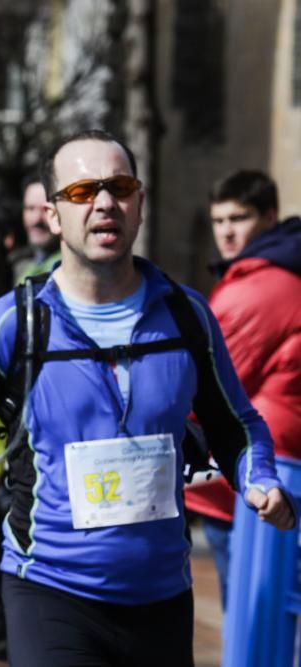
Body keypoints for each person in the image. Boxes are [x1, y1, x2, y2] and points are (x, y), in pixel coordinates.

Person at [0, 129, 295, 667]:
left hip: (163, 597)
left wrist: (259, 478)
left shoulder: (188, 316)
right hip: (51, 592)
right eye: (81, 191)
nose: (103, 202)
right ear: (53, 215)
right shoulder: (15, 323)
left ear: (139, 204)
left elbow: (235, 422)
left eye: (119, 187)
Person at [184, 169, 301, 608]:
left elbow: (203, 390)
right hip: (271, 472)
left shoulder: (258, 286)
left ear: (270, 217)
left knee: (252, 627)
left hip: (256, 482)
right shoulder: (277, 270)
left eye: (239, 218)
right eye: (218, 221)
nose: (226, 232)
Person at [8, 178, 61, 282]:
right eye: (30, 208)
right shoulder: (21, 266)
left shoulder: (69, 268)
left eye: (45, 210)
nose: (37, 219)